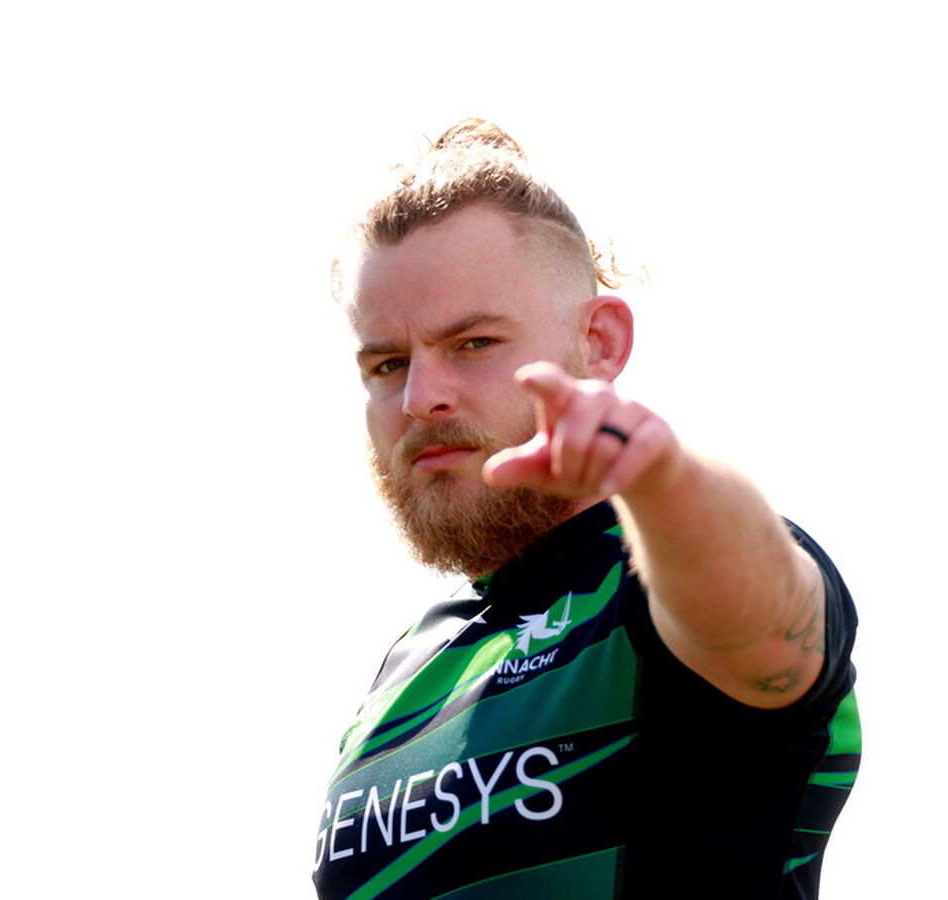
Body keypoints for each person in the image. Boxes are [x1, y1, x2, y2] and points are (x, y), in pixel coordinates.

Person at [312, 119, 860, 899]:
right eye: (388, 364)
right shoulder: (404, 672)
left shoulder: (657, 579)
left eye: (474, 343)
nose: (420, 397)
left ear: (598, 343)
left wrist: (664, 480)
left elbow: (758, 610)